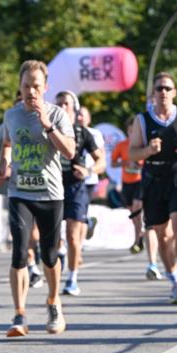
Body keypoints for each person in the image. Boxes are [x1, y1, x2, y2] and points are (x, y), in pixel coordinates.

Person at [0, 61, 75, 335]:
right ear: (20, 86)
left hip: (50, 194)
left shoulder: (58, 115)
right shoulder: (11, 115)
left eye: (36, 86)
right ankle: (19, 315)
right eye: (26, 86)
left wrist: (48, 126)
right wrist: (3, 164)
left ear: (46, 87)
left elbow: (70, 151)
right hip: (19, 192)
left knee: (49, 255)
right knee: (19, 252)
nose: (31, 91)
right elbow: (7, 143)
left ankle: (53, 301)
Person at [129, 72, 177, 304]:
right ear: (153, 93)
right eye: (159, 88)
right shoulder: (142, 120)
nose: (163, 92)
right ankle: (174, 280)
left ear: (174, 92)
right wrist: (147, 151)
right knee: (163, 236)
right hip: (154, 179)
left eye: (167, 88)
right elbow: (132, 153)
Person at [54, 91, 105, 296]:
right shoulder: (48, 131)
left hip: (76, 188)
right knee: (51, 237)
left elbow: (101, 161)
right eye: (58, 104)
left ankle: (72, 279)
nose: (62, 107)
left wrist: (88, 171)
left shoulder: (82, 133)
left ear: (74, 109)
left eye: (66, 104)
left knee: (73, 236)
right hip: (52, 188)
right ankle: (60, 252)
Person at [111, 118, 145, 254]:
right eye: (131, 132)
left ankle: (137, 239)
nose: (133, 134)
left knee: (137, 209)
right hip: (127, 183)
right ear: (127, 131)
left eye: (135, 132)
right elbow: (113, 163)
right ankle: (139, 235)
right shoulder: (121, 145)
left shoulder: (143, 145)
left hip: (140, 181)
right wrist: (125, 163)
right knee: (133, 213)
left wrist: (139, 165)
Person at [77, 106, 105, 243]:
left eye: (82, 115)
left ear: (89, 119)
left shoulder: (95, 134)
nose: (79, 117)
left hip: (89, 178)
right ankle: (89, 221)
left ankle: (79, 245)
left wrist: (91, 170)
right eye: (78, 114)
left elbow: (101, 158)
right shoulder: (69, 132)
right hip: (73, 177)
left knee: (81, 210)